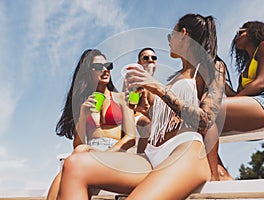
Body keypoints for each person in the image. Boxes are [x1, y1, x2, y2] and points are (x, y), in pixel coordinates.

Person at [57, 13, 225, 200]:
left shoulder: (213, 67)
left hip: (184, 151)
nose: (169, 42)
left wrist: (156, 87)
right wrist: (141, 101)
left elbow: (206, 121)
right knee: (75, 163)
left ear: (183, 34)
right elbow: (156, 116)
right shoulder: (175, 78)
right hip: (150, 155)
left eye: (171, 36)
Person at [46, 49, 136, 200]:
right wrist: (82, 116)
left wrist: (104, 155)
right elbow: (77, 145)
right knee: (67, 170)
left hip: (114, 151)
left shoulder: (121, 98)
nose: (105, 70)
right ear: (88, 72)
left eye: (108, 65)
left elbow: (131, 137)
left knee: (74, 167)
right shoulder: (84, 104)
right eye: (99, 67)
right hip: (88, 151)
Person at [216, 21, 264, 179]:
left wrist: (217, 106)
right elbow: (236, 99)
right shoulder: (245, 70)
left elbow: (261, 83)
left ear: (253, 31)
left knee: (207, 111)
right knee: (200, 126)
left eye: (241, 32)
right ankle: (221, 174)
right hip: (256, 106)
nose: (236, 37)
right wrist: (222, 83)